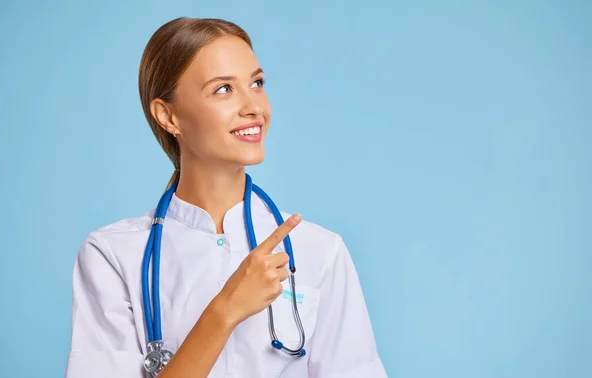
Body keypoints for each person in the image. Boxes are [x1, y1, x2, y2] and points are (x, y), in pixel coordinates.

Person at [65, 17, 387, 378]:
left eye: (256, 83)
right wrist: (226, 309)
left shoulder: (319, 251)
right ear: (167, 115)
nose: (254, 107)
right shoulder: (113, 255)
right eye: (223, 89)